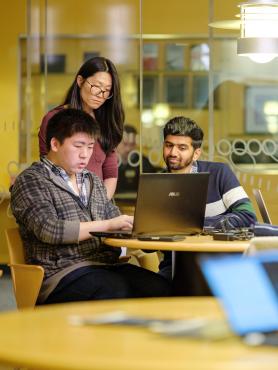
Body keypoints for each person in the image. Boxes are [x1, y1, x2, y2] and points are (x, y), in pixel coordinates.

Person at [11, 109, 171, 304]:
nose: (85, 155)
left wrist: (140, 224)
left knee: (161, 288)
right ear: (54, 144)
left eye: (89, 147)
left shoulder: (92, 180)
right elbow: (49, 229)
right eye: (78, 146)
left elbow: (114, 219)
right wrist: (110, 225)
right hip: (60, 273)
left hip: (105, 265)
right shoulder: (31, 180)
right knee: (116, 291)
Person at [159, 116, 257, 280]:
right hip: (175, 268)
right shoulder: (156, 185)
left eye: (182, 148)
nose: (173, 153)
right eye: (169, 146)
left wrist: (197, 226)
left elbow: (247, 215)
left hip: (222, 265)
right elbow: (148, 243)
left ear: (196, 153)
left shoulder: (219, 173)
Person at [38, 56, 124, 200]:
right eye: (96, 86)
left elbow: (110, 173)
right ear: (80, 81)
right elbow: (48, 169)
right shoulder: (55, 119)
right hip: (64, 205)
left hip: (99, 206)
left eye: (107, 90)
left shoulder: (105, 122)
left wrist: (99, 205)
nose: (100, 95)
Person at [116, 124, 158, 194]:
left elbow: (152, 188)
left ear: (136, 144)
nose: (128, 149)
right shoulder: (109, 162)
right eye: (125, 144)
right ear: (117, 143)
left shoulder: (143, 162)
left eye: (132, 144)